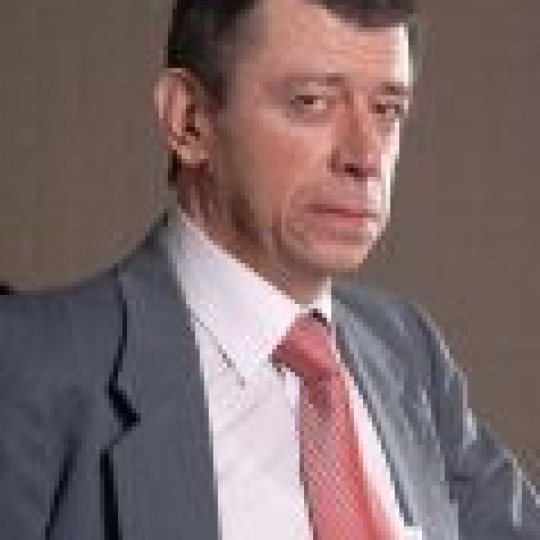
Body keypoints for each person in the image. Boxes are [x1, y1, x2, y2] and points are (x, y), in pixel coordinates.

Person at [0, 0, 538, 538]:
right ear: (188, 119)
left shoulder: (406, 348)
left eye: (387, 110)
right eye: (312, 102)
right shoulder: (25, 362)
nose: (365, 156)